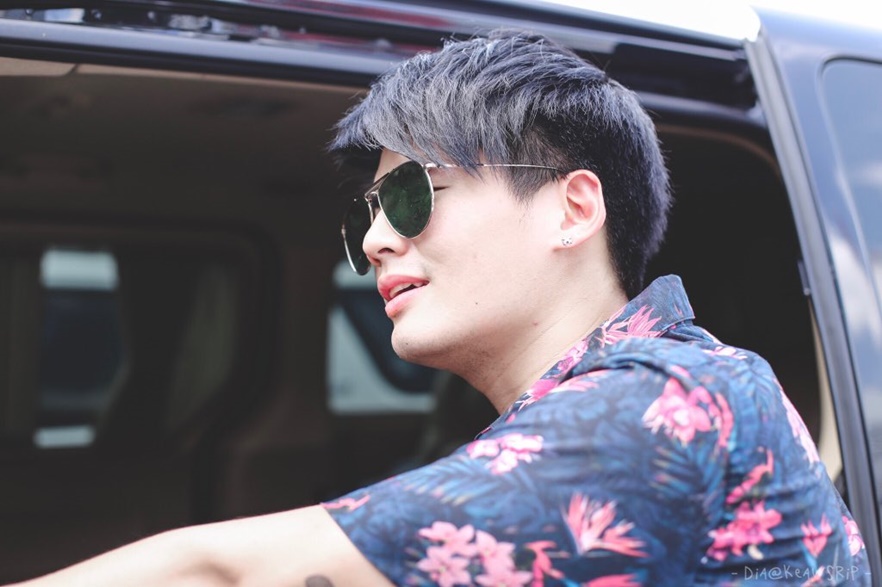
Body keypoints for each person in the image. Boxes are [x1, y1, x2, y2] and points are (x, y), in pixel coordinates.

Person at [7, 29, 870, 587]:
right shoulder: (618, 400)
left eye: (412, 195)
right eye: (366, 216)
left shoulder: (668, 407)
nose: (377, 239)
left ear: (573, 209)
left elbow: (224, 575)